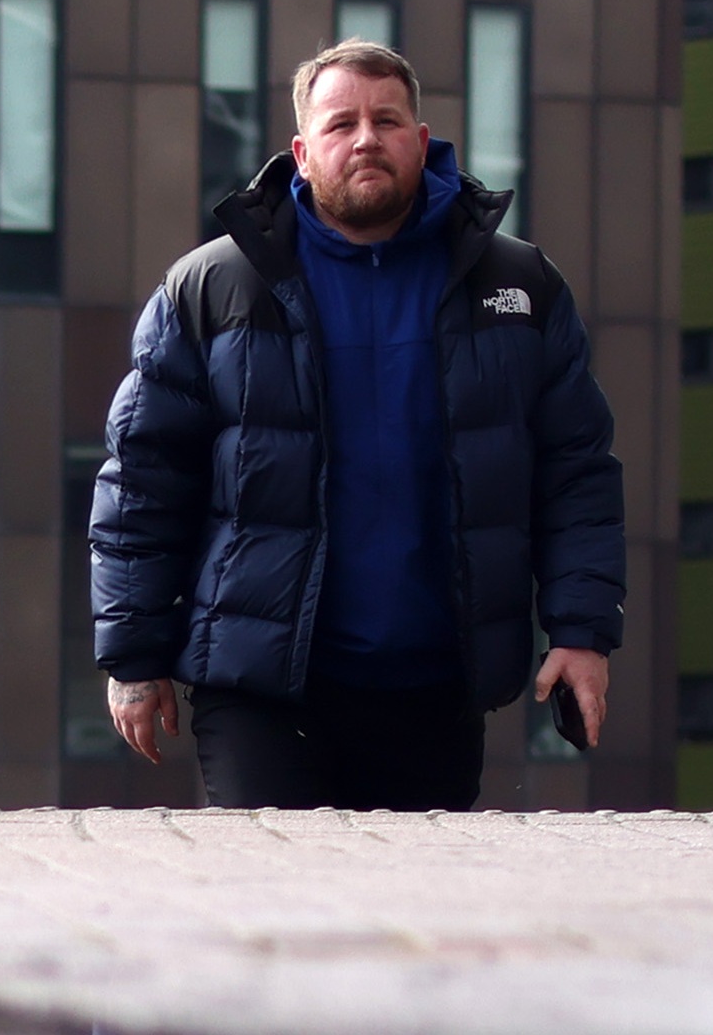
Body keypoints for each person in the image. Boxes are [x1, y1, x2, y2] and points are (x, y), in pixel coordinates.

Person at [91, 40, 627, 810]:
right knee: (271, 899)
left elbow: (576, 471)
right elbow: (141, 479)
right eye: (342, 124)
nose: (366, 138)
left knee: (415, 917)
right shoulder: (213, 288)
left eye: (386, 120)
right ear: (303, 153)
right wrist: (135, 656)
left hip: (435, 685)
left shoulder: (518, 286)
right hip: (260, 685)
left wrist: (582, 632)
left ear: (422, 138)